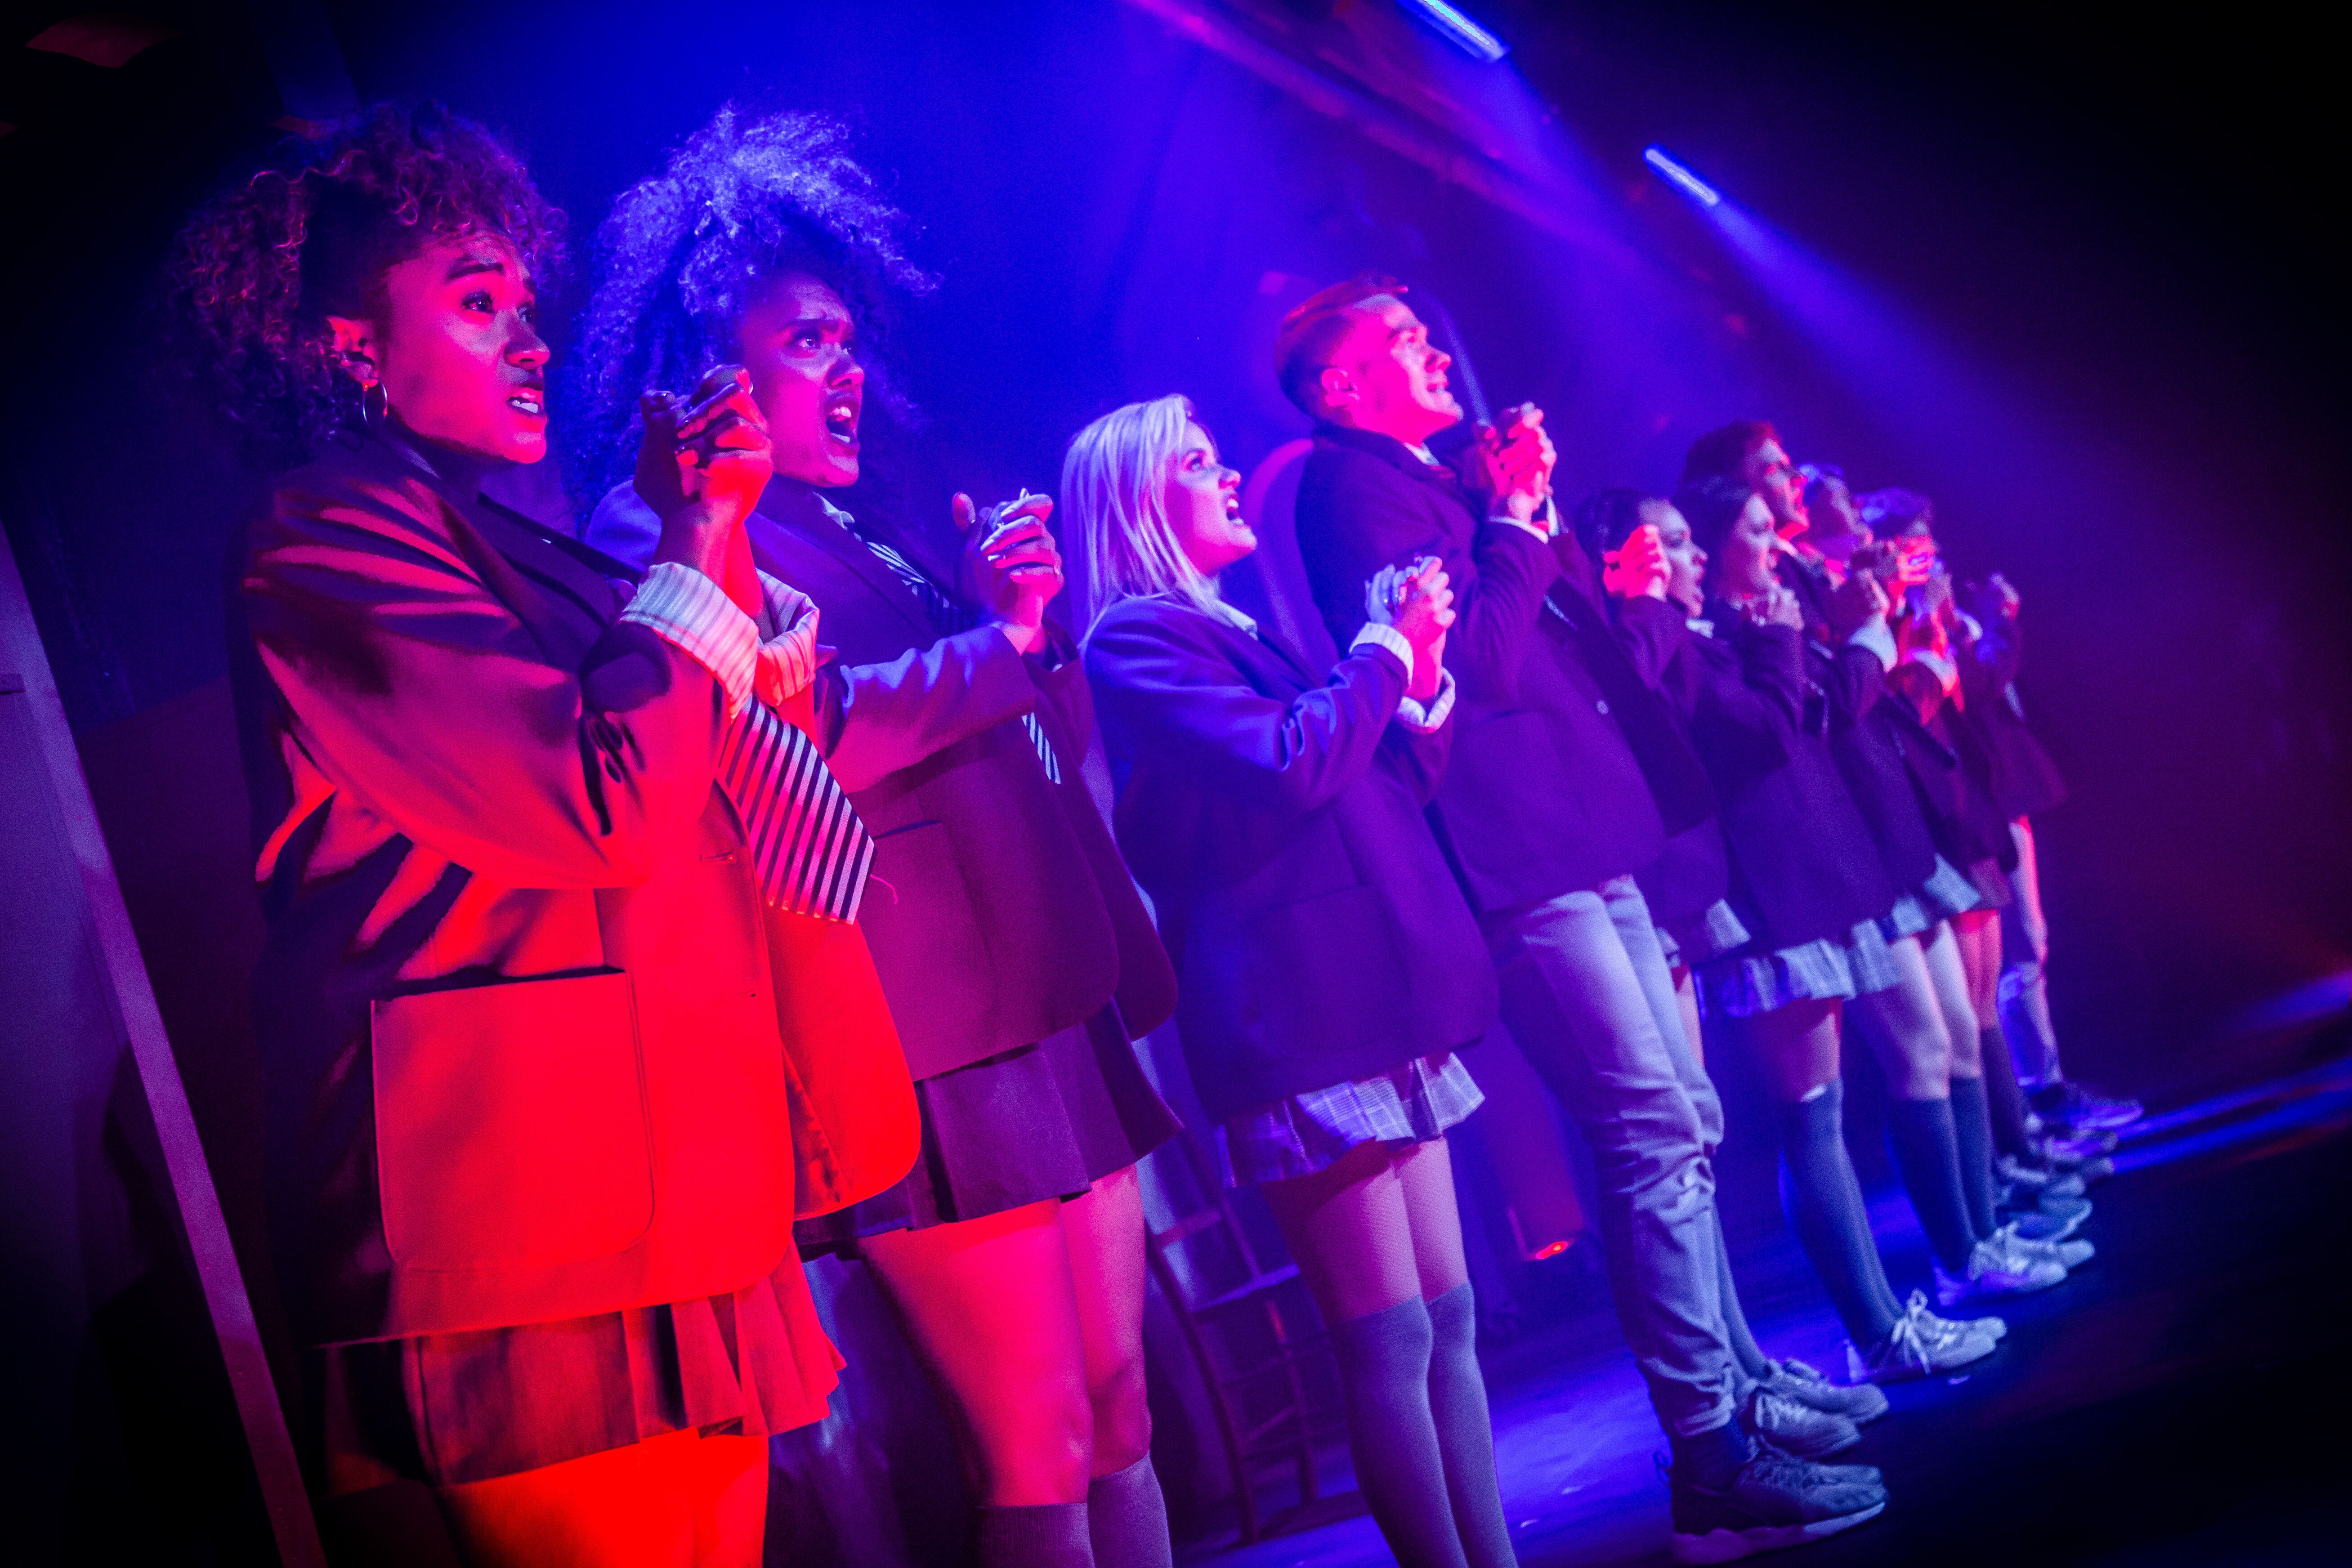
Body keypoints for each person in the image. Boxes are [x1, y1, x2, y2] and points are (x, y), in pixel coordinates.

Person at [179, 103, 917, 1567]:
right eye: (477, 304)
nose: (531, 341)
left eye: (525, 302)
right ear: (351, 349)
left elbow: (696, 745)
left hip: (659, 1172)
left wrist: (711, 550)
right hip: (527, 1213)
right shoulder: (321, 538)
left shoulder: (502, 540)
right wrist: (691, 540)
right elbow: (607, 799)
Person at [577, 108, 1181, 1568]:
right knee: (1036, 1442)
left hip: (1032, 997)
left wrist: (1023, 632)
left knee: (1118, 1416)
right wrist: (994, 643)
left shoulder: (858, 525)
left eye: (850, 341)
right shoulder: (657, 530)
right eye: (810, 343)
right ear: (711, 367)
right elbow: (798, 736)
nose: (848, 371)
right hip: (914, 1037)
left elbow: (1014, 729)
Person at [1279, 275, 1887, 1564]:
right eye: (1398, 340)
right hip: (1523, 862)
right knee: (1646, 1123)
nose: (1430, 347)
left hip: (1587, 837)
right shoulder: (1349, 492)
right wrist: (1509, 518)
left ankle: (1735, 1390)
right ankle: (1709, 1448)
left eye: (1423, 329)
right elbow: (1477, 667)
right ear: (1338, 386)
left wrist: (1526, 508)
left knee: (1685, 1118)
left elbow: (1558, 634)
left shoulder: (1432, 478)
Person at [1072, 393, 1520, 1567]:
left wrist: (1416, 675)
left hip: (1372, 998)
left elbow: (1367, 778)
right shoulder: (1134, 638)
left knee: (1449, 1318)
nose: (1226, 476)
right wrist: (1376, 653)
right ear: (1135, 501)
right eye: (1197, 463)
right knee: (1388, 1339)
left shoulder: (1230, 626)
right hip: (1300, 1014)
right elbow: (1287, 763)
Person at [1667, 478, 2075, 1326]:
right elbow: (1805, 721)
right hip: (1813, 875)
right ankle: (1937, 1277)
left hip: (1874, 848)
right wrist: (1858, 636)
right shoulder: (1716, 639)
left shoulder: (1775, 612)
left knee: (1948, 1042)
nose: (1773, 533)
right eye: (1753, 523)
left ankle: (1979, 1241)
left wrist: (1879, 634)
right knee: (1848, 1095)